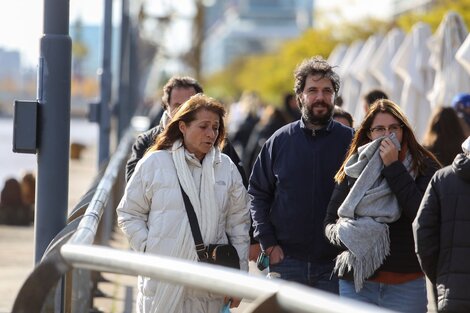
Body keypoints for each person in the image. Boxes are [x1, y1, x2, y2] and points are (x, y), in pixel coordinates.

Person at [117, 94, 250, 313]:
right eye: (203, 126)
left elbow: (239, 225)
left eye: (215, 128)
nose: (211, 134)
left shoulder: (226, 168)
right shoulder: (155, 163)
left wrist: (239, 277)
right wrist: (149, 248)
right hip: (162, 276)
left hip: (209, 281)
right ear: (183, 126)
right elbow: (129, 213)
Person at [248, 56, 354, 292]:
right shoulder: (279, 141)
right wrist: (268, 242)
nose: (320, 97)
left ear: (334, 96)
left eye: (327, 91)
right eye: (313, 90)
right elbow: (256, 192)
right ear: (299, 97)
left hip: (336, 266)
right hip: (286, 263)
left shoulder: (351, 142)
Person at [324, 99, 441, 312]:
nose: (387, 135)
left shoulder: (423, 166)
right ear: (369, 133)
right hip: (357, 283)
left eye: (393, 128)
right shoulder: (354, 166)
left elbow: (420, 214)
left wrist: (393, 167)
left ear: (404, 131)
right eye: (379, 129)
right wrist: (348, 235)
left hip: (406, 284)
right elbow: (330, 221)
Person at [125, 76, 246, 186]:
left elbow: (240, 187)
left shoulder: (216, 140)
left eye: (189, 106)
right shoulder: (147, 141)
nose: (183, 111)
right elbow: (133, 187)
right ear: (166, 107)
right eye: (177, 106)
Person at [413, 136, 470, 313]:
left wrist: (442, 277)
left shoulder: (442, 179)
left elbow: (422, 234)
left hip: (452, 295)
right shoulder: (441, 179)